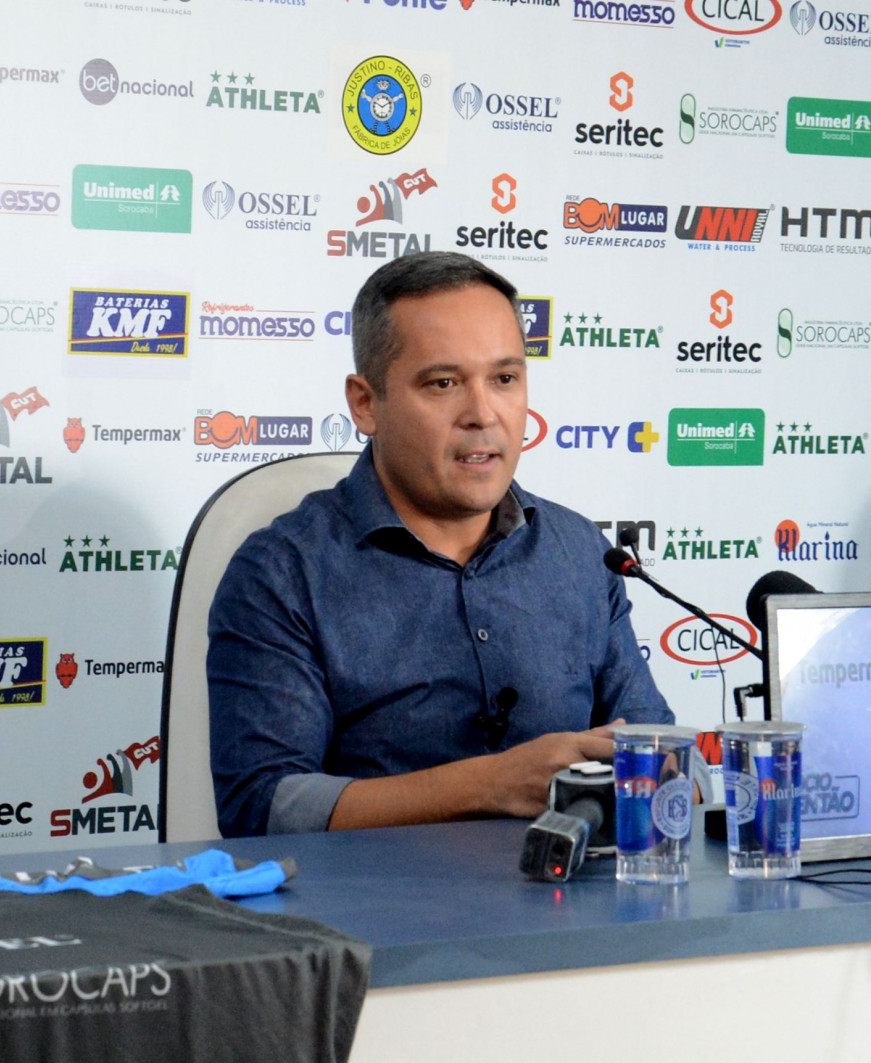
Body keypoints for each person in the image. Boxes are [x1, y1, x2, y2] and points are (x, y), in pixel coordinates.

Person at [208, 252, 674, 838]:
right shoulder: (281, 572)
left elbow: (657, 750)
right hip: (368, 919)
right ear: (366, 403)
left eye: (504, 379)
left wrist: (666, 766)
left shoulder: (580, 553)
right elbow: (262, 806)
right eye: (444, 383)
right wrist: (491, 785)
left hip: (571, 909)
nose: (483, 414)